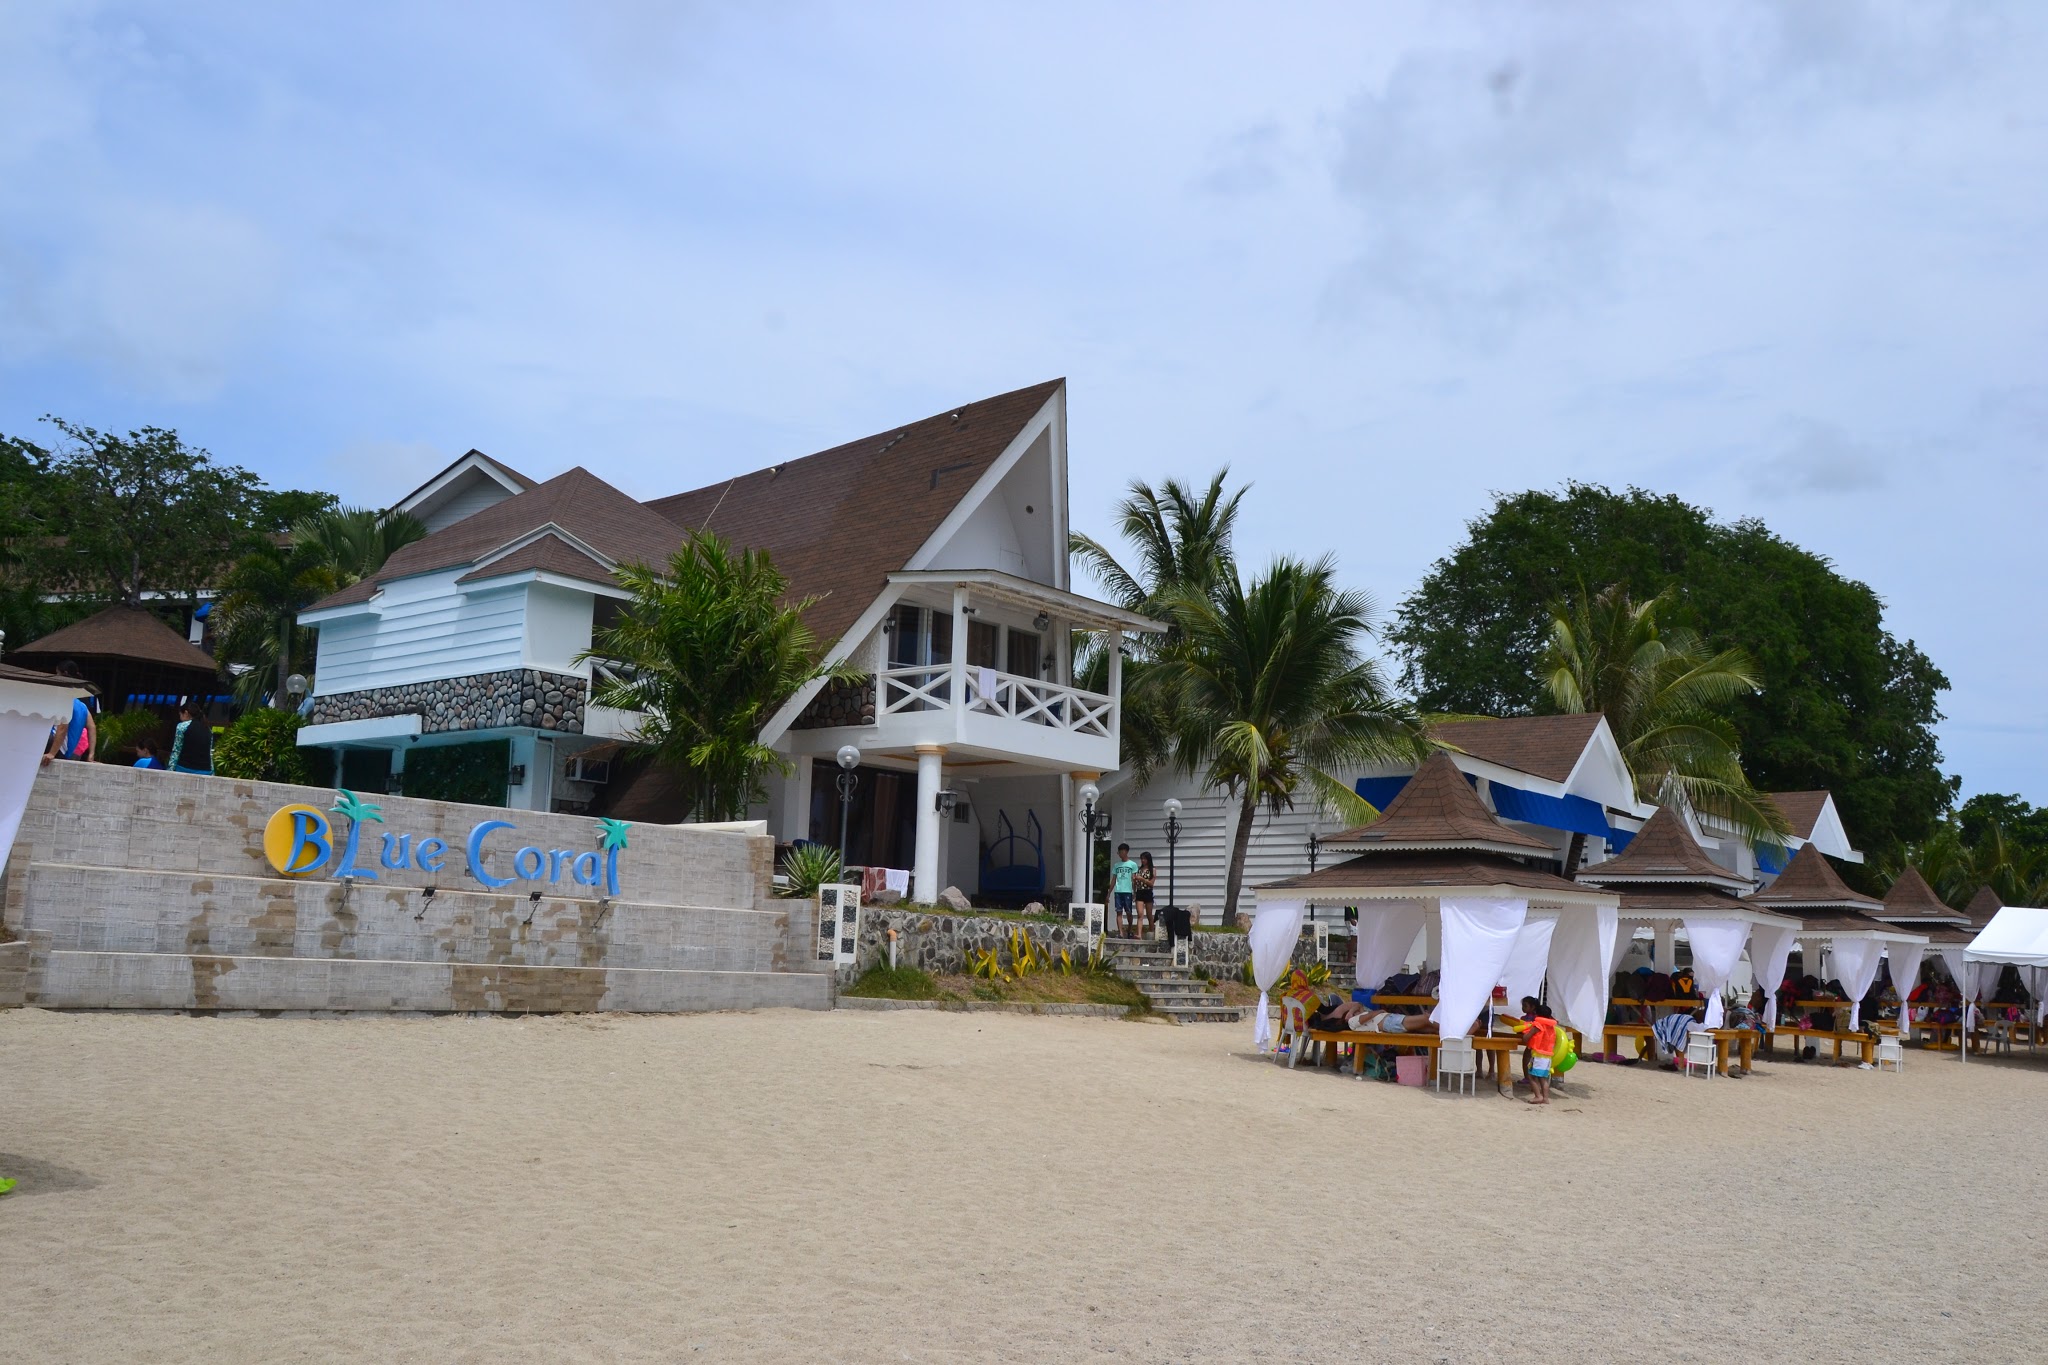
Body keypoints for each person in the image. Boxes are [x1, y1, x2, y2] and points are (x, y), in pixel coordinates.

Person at [1502, 997, 1558, 1104]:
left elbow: (1526, 1038)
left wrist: (1526, 1032)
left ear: (1537, 1015)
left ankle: (1538, 1096)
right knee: (1543, 1079)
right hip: (1547, 1056)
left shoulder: (1537, 1025)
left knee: (1532, 1077)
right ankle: (1546, 1098)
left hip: (1538, 1055)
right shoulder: (1551, 1027)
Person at [40, 662, 97, 766]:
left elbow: (63, 727)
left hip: (57, 747)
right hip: (69, 751)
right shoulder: (82, 706)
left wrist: (52, 753)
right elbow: (92, 727)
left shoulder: (65, 701)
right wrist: (91, 755)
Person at [168, 699, 214, 776]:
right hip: (205, 770)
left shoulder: (182, 726)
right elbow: (210, 753)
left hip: (184, 768)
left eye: (180, 715)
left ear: (186, 713)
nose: (180, 718)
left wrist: (170, 770)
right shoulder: (208, 730)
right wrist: (212, 773)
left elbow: (176, 749)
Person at [1109, 843, 1138, 935]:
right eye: (1119, 852)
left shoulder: (1132, 864)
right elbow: (1114, 879)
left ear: (1126, 852)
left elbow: (1134, 879)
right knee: (1119, 912)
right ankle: (1121, 932)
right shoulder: (1117, 865)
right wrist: (1109, 893)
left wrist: (1134, 892)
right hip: (1118, 891)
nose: (1120, 854)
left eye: (1121, 852)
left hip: (1128, 891)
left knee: (1128, 911)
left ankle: (1129, 929)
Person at [1132, 852, 1156, 935]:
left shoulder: (1152, 870)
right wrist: (1134, 891)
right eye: (1142, 859)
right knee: (1140, 914)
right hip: (1139, 892)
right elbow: (1135, 884)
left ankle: (1151, 932)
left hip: (1148, 892)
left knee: (1149, 914)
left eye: (1144, 859)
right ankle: (1139, 934)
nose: (1143, 860)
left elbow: (1151, 884)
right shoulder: (1139, 870)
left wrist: (1142, 879)